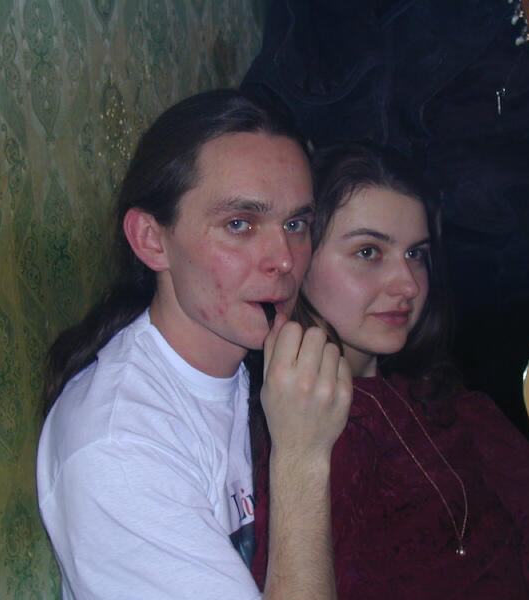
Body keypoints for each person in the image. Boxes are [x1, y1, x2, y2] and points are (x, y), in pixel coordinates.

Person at [250, 142, 529, 599]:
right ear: (298, 260)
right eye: (369, 252)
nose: (408, 284)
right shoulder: (298, 436)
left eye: (416, 254)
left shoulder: (452, 407)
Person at [36, 90, 352, 600]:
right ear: (151, 240)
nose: (285, 259)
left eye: (296, 224)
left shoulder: (262, 369)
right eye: (239, 224)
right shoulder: (118, 449)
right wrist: (302, 456)